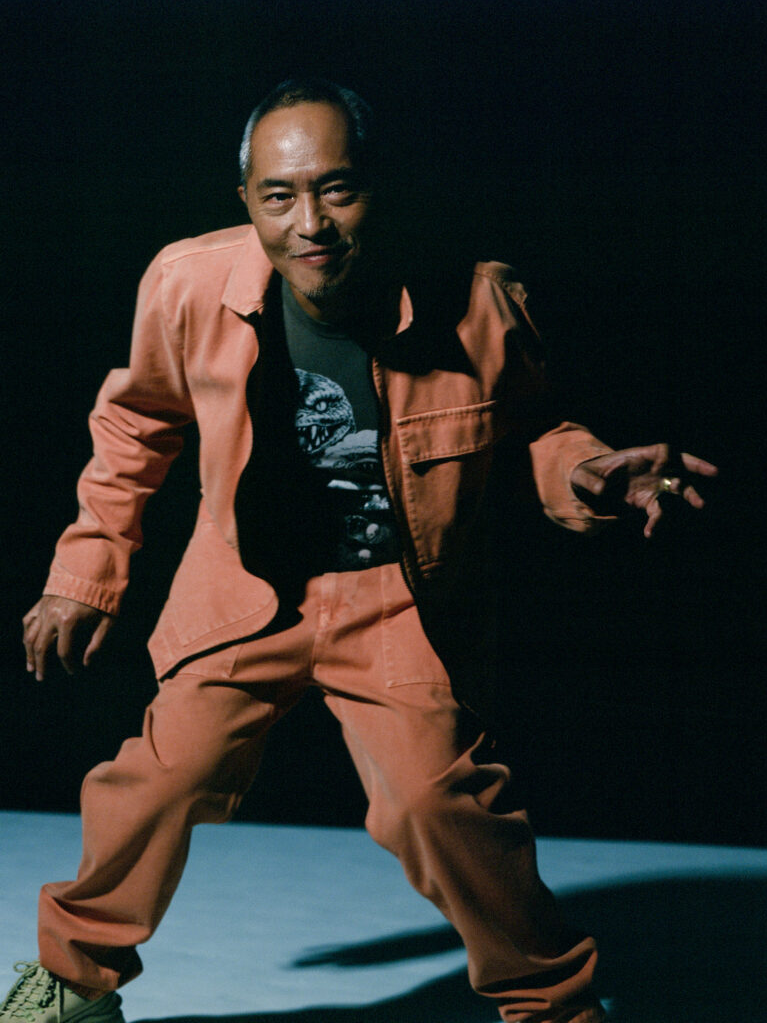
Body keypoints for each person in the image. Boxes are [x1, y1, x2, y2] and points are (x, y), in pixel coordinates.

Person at [4, 79, 717, 1023]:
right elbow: (136, 425)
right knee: (157, 781)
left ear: (376, 188)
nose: (310, 224)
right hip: (246, 587)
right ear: (247, 200)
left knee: (438, 807)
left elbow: (536, 429)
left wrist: (591, 475)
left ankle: (555, 1006)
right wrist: (86, 573)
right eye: (279, 197)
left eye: (335, 190)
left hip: (399, 601)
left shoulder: (477, 300)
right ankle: (72, 981)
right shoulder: (187, 285)